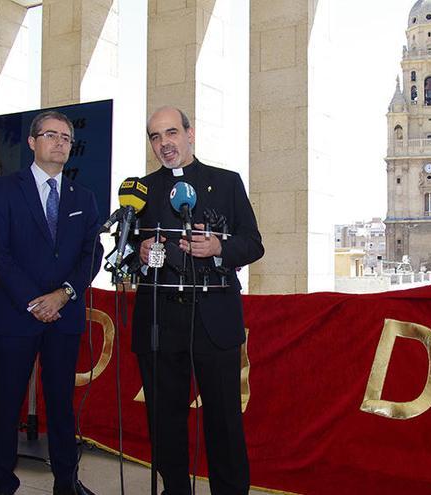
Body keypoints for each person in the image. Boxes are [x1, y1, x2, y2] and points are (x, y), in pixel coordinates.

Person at [132, 106, 264, 495]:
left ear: (190, 134)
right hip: (159, 320)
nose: (164, 144)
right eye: (155, 137)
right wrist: (140, 256)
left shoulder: (226, 183)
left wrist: (218, 247)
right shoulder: (142, 191)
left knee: (223, 421)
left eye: (171, 133)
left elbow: (253, 244)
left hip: (214, 319)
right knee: (165, 421)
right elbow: (124, 254)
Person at [0, 110, 104, 495]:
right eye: (51, 135)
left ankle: (66, 483)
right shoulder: (2, 188)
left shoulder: (83, 197)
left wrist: (63, 295)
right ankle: (3, 484)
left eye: (66, 137)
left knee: (62, 406)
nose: (60, 142)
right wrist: (35, 301)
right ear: (32, 143)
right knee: (7, 405)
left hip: (63, 317)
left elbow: (91, 255)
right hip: (14, 314)